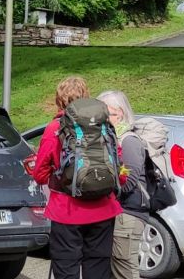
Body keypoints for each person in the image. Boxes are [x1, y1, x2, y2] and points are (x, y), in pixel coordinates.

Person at [33, 77, 121, 279]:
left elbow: (39, 174)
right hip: (103, 210)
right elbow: (119, 168)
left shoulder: (55, 128)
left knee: (66, 270)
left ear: (59, 100)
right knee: (98, 271)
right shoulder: (103, 125)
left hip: (66, 211)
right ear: (86, 97)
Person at [96, 90, 147, 279]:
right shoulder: (112, 139)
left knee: (125, 269)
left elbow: (129, 182)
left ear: (120, 113)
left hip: (128, 213)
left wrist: (103, 188)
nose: (102, 119)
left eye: (107, 114)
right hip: (117, 212)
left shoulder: (128, 141)